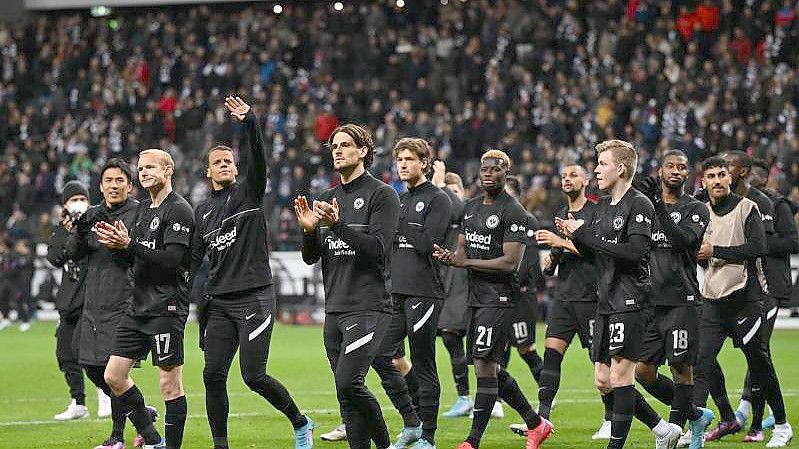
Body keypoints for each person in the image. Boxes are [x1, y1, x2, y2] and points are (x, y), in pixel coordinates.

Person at [192, 97, 313, 449]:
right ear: (208, 172)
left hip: (254, 297)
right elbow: (194, 263)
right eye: (218, 162)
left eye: (229, 160)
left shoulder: (248, 192)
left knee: (253, 376)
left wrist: (250, 123)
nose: (226, 164)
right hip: (218, 304)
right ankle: (221, 445)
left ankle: (300, 421)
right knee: (212, 375)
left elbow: (259, 159)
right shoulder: (201, 212)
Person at [557, 140, 681, 449]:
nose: (596, 170)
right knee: (603, 379)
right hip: (606, 300)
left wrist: (585, 235)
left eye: (602, 164)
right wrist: (576, 236)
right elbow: (594, 253)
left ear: (621, 168)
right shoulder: (602, 206)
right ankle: (663, 430)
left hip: (630, 298)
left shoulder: (639, 204)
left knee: (622, 376)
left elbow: (635, 251)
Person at [433, 149, 553, 449]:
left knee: (485, 364)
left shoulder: (515, 213)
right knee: (488, 367)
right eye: (484, 168)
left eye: (495, 169)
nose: (488, 173)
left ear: (506, 171)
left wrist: (466, 263)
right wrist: (451, 258)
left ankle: (471, 442)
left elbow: (509, 263)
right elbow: (462, 252)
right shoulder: (471, 207)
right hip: (475, 298)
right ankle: (536, 423)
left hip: (499, 299)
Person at [295, 124, 399, 449]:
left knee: (349, 383)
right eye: (334, 146)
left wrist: (338, 226)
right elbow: (311, 258)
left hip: (368, 307)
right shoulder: (327, 198)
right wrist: (310, 231)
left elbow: (378, 250)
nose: (337, 151)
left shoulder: (383, 195)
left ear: (363, 151)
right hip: (334, 309)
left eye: (344, 145)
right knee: (345, 394)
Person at [96, 149, 195, 449]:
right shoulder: (143, 211)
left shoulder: (178, 209)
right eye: (141, 168)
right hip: (138, 307)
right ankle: (150, 431)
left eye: (151, 167)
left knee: (169, 384)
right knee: (113, 376)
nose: (144, 172)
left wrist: (131, 245)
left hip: (165, 308)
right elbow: (136, 263)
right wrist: (119, 248)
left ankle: (169, 446)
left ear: (168, 171)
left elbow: (172, 259)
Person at [694, 156, 792, 448]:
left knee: (759, 364)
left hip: (746, 298)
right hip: (712, 299)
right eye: (710, 175)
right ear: (704, 182)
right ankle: (715, 421)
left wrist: (715, 250)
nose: (716, 180)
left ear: (730, 179)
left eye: (721, 174)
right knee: (702, 361)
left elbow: (757, 248)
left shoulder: (748, 207)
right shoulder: (699, 212)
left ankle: (783, 426)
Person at [68, 158, 156, 449]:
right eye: (109, 180)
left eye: (120, 180)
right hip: (94, 302)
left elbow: (140, 256)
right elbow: (74, 254)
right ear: (101, 186)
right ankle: (141, 412)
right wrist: (80, 231)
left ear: (130, 186)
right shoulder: (92, 215)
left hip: (125, 302)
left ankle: (117, 437)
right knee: (89, 366)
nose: (114, 185)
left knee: (113, 372)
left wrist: (122, 244)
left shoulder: (139, 213)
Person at [630, 150, 715, 449]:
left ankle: (677, 432)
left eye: (682, 167)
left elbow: (684, 241)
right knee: (642, 372)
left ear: (688, 174)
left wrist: (658, 209)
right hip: (650, 301)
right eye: (670, 166)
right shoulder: (644, 206)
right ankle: (696, 415)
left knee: (681, 368)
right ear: (661, 170)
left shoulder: (696, 209)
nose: (676, 171)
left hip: (682, 299)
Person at [520, 163, 611, 440]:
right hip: (564, 297)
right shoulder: (562, 213)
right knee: (551, 357)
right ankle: (542, 419)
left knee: (600, 362)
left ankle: (610, 419)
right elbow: (562, 255)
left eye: (573, 175)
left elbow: (599, 253)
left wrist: (561, 243)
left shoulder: (596, 212)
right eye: (563, 176)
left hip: (591, 298)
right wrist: (551, 260)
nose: (567, 179)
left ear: (585, 180)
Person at [382, 137, 452, 449]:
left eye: (409, 160)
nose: (403, 165)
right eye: (400, 161)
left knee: (424, 362)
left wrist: (399, 220)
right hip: (396, 292)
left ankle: (428, 436)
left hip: (424, 291)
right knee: (381, 353)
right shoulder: (399, 198)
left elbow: (429, 245)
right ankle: (412, 420)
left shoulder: (438, 199)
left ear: (423, 163)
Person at [733, 159, 799, 434]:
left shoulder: (777, 204)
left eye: (758, 177)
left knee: (757, 350)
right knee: (755, 350)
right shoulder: (735, 204)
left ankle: (751, 417)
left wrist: (756, 242)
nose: (754, 182)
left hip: (771, 287)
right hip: (748, 288)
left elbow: (794, 241)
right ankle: (752, 412)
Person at [433, 164, 476, 419]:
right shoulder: (442, 219)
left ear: (461, 191)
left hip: (465, 282)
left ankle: (474, 398)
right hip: (444, 283)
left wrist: (439, 184)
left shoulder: (467, 211)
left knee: (456, 337)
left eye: (453, 191)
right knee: (451, 339)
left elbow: (458, 207)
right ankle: (468, 398)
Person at [47, 181, 90, 421]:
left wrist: (82, 228)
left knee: (87, 353)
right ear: (65, 204)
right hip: (69, 302)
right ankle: (79, 402)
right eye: (73, 199)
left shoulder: (94, 224)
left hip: (90, 300)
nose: (78, 203)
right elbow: (54, 257)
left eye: (82, 198)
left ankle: (107, 396)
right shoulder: (60, 230)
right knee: (65, 354)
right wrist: (68, 231)